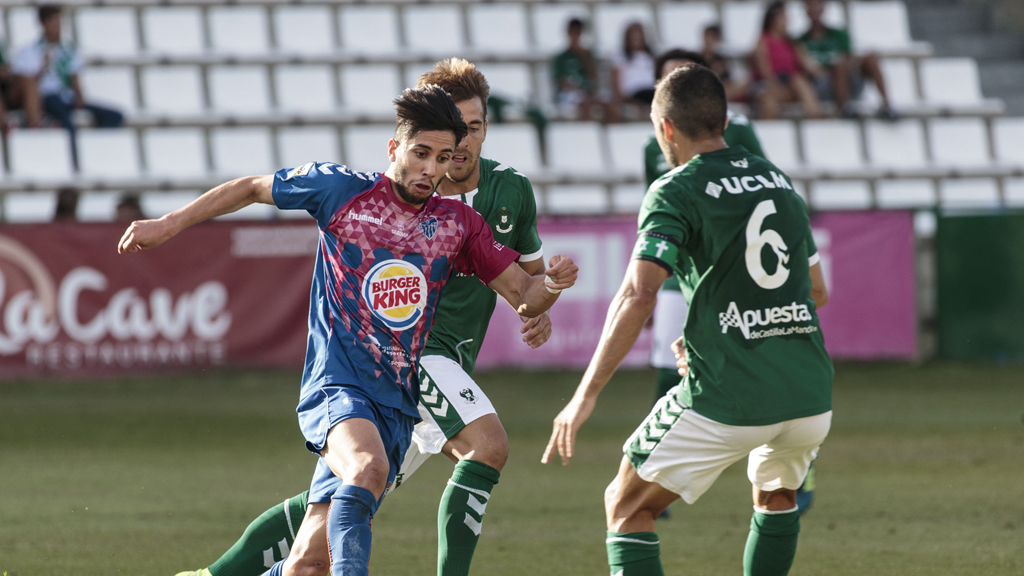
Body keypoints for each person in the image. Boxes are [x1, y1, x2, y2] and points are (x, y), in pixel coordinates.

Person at [119, 84, 578, 576]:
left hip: (397, 405)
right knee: (368, 469)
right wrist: (167, 223)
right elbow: (253, 187)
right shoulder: (343, 190)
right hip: (337, 384)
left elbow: (524, 295)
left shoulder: (458, 224)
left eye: (443, 158)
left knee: (307, 566)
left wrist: (551, 283)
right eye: (421, 153)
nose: (432, 169)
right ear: (394, 148)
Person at [542, 64, 832, 576]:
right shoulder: (779, 183)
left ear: (665, 129)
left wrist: (583, 396)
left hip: (729, 393)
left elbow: (638, 294)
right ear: (723, 120)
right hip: (809, 394)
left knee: (628, 507)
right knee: (776, 498)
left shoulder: (675, 188)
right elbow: (815, 292)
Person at [644, 50, 818, 517]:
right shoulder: (652, 146)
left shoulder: (737, 133)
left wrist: (585, 395)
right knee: (667, 359)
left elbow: (754, 194)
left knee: (625, 508)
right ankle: (668, 464)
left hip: (725, 270)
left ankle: (666, 473)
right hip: (678, 271)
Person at [12, 5, 123, 160]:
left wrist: (80, 95)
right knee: (66, 119)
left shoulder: (70, 50)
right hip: (46, 97)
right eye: (54, 21)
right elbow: (24, 86)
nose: (58, 26)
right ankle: (73, 159)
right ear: (43, 23)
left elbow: (74, 77)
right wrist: (42, 68)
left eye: (60, 21)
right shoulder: (29, 51)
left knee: (115, 116)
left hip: (66, 96)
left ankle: (95, 148)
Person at [799, 0, 897, 119]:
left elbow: (848, 59)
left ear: (824, 8)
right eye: (810, 5)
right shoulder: (800, 41)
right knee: (839, 64)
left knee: (870, 57)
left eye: (817, 4)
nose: (814, 8)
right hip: (821, 86)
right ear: (805, 9)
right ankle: (844, 107)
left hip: (846, 80)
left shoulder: (839, 34)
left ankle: (887, 105)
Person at [750, 1, 822, 119]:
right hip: (770, 85)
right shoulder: (763, 41)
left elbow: (809, 65)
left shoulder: (793, 43)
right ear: (773, 19)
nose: (786, 20)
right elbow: (765, 71)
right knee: (769, 102)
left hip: (790, 85)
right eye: (783, 16)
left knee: (799, 81)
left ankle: (816, 119)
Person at [552, 18, 617, 122]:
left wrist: (584, 58)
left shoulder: (588, 55)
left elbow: (594, 78)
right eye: (572, 32)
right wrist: (579, 89)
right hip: (569, 94)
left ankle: (613, 133)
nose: (575, 36)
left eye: (578, 32)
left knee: (609, 104)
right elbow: (561, 82)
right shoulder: (561, 58)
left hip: (588, 92)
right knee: (585, 104)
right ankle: (587, 134)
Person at [611, 22, 656, 116]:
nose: (636, 39)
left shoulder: (651, 57)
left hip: (651, 90)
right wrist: (621, 100)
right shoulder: (620, 58)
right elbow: (616, 83)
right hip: (634, 93)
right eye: (634, 36)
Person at [701, 25, 745, 102]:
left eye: (713, 38)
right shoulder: (697, 58)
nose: (709, 41)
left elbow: (740, 80)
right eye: (708, 37)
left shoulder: (725, 59)